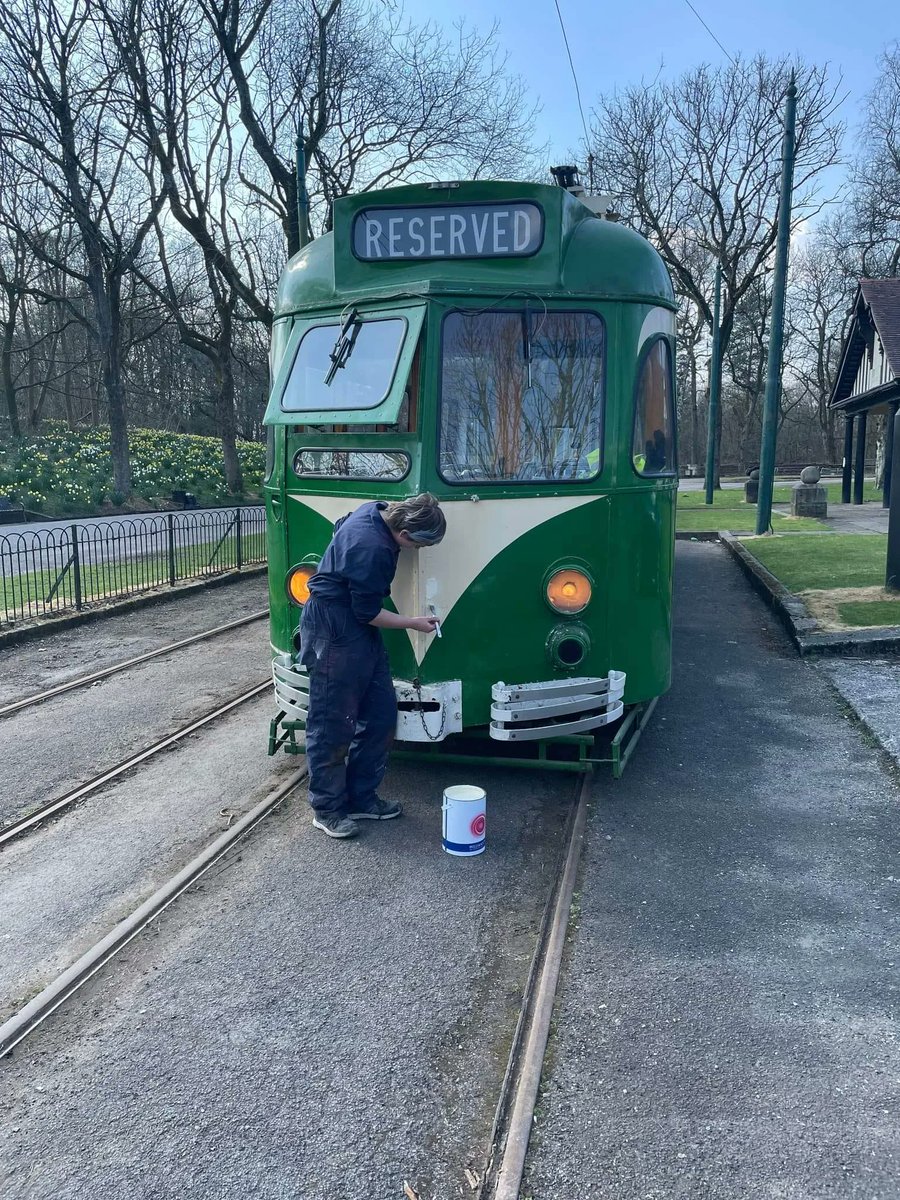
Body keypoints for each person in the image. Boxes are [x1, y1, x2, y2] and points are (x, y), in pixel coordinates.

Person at [298, 493, 447, 839]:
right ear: (406, 533)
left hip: (354, 629)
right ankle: (328, 809)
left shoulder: (376, 509)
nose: (415, 552)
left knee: (380, 713)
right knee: (332, 722)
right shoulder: (374, 550)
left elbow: (340, 526)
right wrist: (413, 622)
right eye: (418, 546)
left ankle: (361, 797)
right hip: (334, 628)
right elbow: (367, 612)